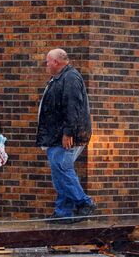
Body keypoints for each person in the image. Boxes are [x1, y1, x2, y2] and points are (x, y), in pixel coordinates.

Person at [37, 48, 96, 224]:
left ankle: (84, 202)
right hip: (55, 134)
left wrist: (68, 132)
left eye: (48, 61)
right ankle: (63, 212)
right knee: (59, 171)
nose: (46, 65)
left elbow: (73, 107)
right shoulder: (60, 78)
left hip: (65, 135)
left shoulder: (70, 78)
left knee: (62, 169)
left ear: (56, 62)